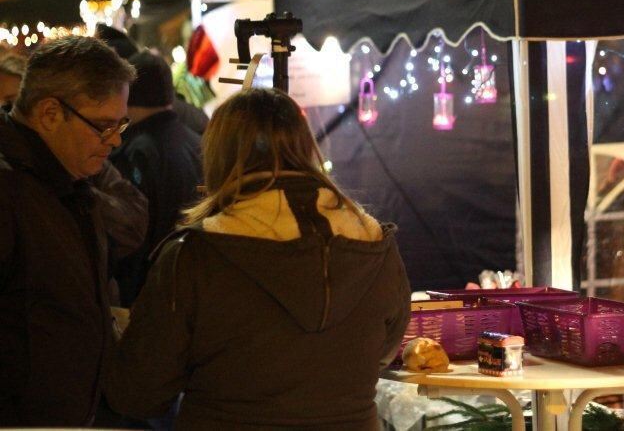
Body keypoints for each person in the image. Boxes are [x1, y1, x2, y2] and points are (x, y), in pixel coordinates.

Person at [105, 88, 411, 430]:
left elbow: (139, 391)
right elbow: (386, 350)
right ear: (306, 146)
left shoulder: (193, 255)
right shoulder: (373, 242)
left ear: (218, 154)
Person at [0, 36, 136, 426]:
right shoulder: (10, 191)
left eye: (121, 123)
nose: (116, 140)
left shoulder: (70, 182)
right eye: (104, 126)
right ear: (49, 114)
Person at [110, 51, 202, 306]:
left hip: (152, 291)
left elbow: (132, 233)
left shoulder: (137, 152)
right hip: (196, 283)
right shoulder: (197, 142)